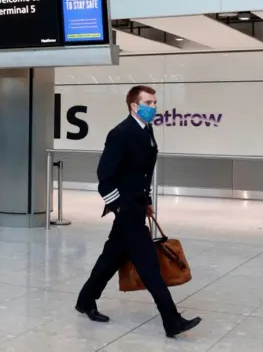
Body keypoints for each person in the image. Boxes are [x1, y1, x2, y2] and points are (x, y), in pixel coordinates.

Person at [74, 85, 201, 338]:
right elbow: (104, 175)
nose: (154, 107)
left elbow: (141, 173)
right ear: (134, 105)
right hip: (128, 211)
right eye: (149, 102)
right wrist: (119, 206)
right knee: (149, 265)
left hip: (137, 206)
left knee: (112, 257)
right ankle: (172, 321)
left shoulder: (146, 130)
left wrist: (147, 199)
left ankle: (85, 300)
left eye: (154, 102)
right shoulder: (121, 133)